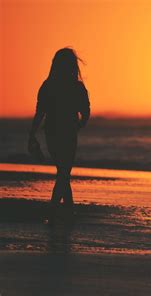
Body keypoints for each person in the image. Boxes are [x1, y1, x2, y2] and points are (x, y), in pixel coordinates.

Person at [28, 47, 90, 222]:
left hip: (52, 134)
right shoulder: (77, 87)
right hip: (69, 133)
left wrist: (32, 134)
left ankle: (68, 210)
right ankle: (54, 211)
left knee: (63, 171)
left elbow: (40, 112)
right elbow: (85, 111)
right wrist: (79, 125)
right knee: (64, 172)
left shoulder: (48, 85)